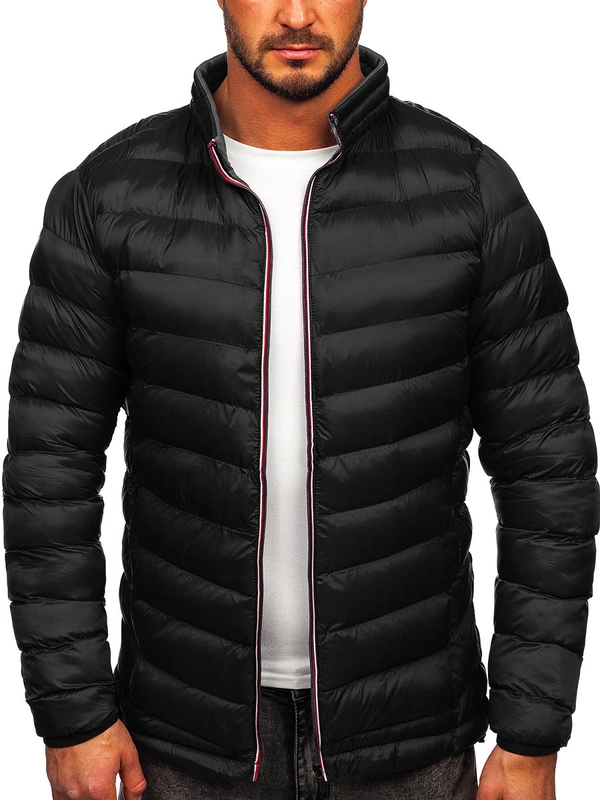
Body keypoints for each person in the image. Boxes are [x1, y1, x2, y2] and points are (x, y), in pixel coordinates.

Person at [3, 1, 599, 798]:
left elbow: (549, 473)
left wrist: (531, 733)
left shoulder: (469, 192)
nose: (295, 13)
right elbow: (49, 474)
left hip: (411, 741)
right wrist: (74, 715)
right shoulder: (110, 197)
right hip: (182, 744)